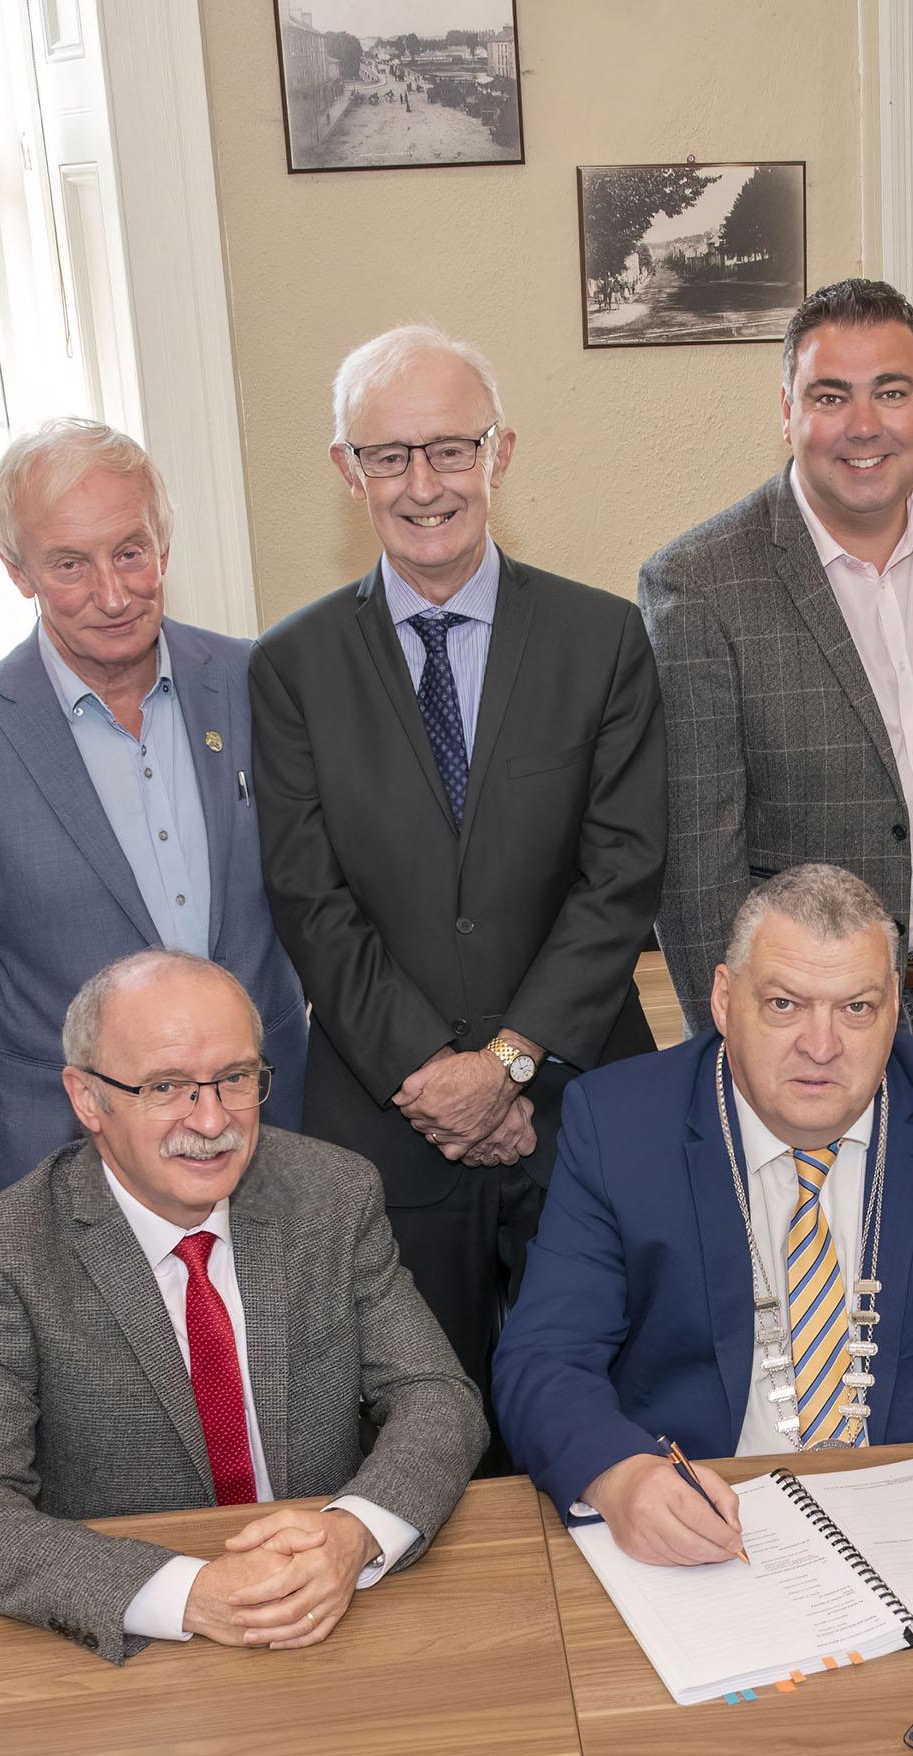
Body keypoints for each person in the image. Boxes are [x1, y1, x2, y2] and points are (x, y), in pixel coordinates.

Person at [492, 865, 913, 1571]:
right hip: (706, 1527)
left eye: (856, 1008)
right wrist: (620, 1475)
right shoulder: (621, 1125)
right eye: (784, 1004)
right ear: (723, 998)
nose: (821, 1045)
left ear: (894, 1008)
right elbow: (544, 1358)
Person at [248, 325, 666, 1394]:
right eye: (388, 455)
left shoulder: (602, 639)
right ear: (347, 471)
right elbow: (309, 898)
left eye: (449, 447)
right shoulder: (290, 667)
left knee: (597, 1409)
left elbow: (620, 874)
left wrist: (508, 1064)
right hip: (385, 1125)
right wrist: (434, 1078)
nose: (422, 482)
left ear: (501, 452)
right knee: (419, 1426)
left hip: (578, 1104)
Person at [0, 952, 485, 1661]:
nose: (213, 1119)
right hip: (138, 1647)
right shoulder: (4, 1252)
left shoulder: (331, 1194)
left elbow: (438, 1395)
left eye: (236, 1078)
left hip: (333, 1610)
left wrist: (353, 1531)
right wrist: (190, 1591)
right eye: (167, 1086)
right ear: (88, 1099)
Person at [641, 278, 913, 1067]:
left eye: (891, 392)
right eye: (830, 396)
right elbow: (697, 863)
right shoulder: (699, 584)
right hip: (804, 1028)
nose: (864, 426)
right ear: (788, 410)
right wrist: (729, 1047)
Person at [0, 418, 307, 1188]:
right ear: (18, 571)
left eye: (130, 552)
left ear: (164, 547)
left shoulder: (261, 685)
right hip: (69, 1156)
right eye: (71, 565)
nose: (113, 594)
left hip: (269, 1132)